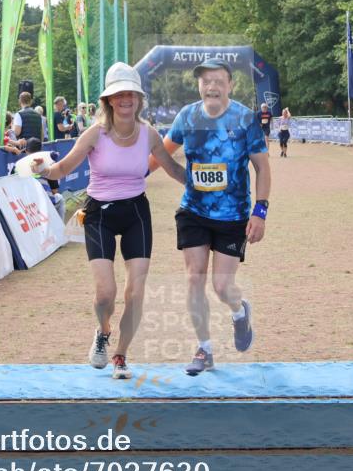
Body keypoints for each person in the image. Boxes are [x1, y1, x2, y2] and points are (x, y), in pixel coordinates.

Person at [33, 63, 185, 380]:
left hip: (135, 214)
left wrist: (205, 183)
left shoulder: (150, 135)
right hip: (99, 214)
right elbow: (61, 169)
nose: (125, 99)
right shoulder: (94, 135)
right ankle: (103, 332)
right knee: (106, 294)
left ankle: (121, 355)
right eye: (119, 94)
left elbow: (173, 169)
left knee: (136, 292)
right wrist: (43, 170)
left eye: (131, 93)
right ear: (109, 100)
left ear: (138, 98)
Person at [152, 58, 271, 376]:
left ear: (230, 85)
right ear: (199, 86)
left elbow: (262, 167)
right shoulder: (187, 117)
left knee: (221, 287)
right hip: (193, 211)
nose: (212, 86)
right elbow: (161, 153)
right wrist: (174, 176)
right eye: (206, 81)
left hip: (233, 216)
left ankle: (239, 311)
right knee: (194, 277)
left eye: (219, 80)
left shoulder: (245, 119)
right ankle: (204, 349)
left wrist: (260, 212)